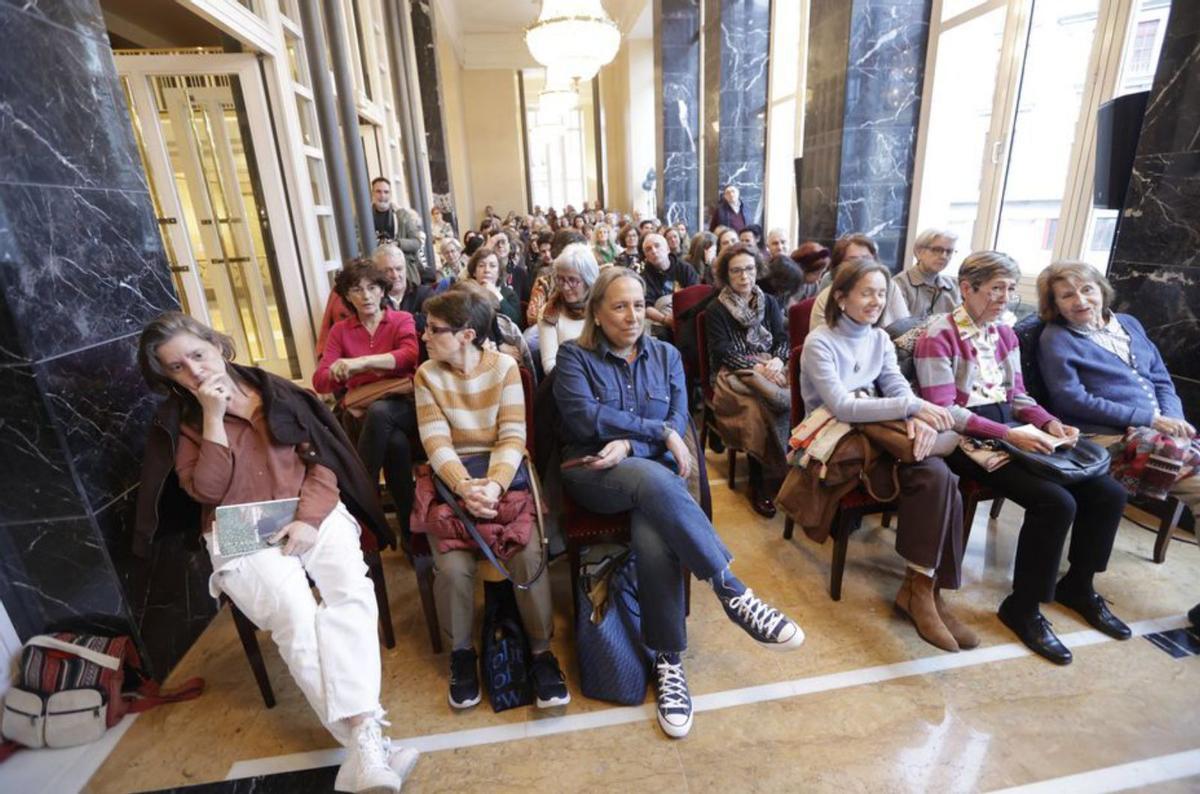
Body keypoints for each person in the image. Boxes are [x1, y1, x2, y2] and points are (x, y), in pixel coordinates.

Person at [135, 313, 418, 793]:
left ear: (217, 345)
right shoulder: (181, 425)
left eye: (198, 354)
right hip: (239, 526)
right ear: (169, 378)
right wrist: (212, 418)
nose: (195, 370)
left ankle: (364, 752)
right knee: (294, 616)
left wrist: (308, 521)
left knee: (351, 588)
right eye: (178, 367)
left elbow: (324, 464)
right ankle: (368, 742)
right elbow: (209, 489)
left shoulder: (278, 393)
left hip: (309, 508)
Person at [554, 268, 804, 739]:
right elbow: (585, 420)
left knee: (654, 529)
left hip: (643, 473)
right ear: (598, 313)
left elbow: (675, 420)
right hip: (592, 473)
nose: (631, 316)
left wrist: (634, 444)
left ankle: (669, 662)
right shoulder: (575, 357)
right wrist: (657, 434)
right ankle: (733, 591)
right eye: (618, 306)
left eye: (636, 304)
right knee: (657, 483)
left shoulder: (666, 354)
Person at [915, 251, 1131, 665]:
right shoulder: (939, 335)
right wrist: (1009, 433)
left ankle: (1079, 586)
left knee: (1108, 494)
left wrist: (1050, 423)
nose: (1005, 298)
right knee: (1055, 501)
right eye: (997, 288)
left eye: (1011, 289)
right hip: (965, 440)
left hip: (1011, 431)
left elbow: (1017, 397)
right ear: (967, 288)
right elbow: (947, 411)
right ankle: (1024, 606)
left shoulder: (1004, 334)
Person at [800, 259, 971, 651]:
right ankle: (921, 593)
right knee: (937, 475)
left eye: (882, 293)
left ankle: (925, 588)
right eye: (866, 292)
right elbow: (842, 407)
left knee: (940, 477)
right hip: (837, 436)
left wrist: (916, 415)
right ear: (841, 298)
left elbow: (894, 385)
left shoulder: (878, 339)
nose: (876, 301)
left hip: (876, 428)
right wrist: (909, 411)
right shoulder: (820, 341)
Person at [414, 289, 568, 710]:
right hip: (454, 476)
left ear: (466, 335)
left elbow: (513, 436)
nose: (424, 336)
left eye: (434, 329)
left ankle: (540, 652)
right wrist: (464, 486)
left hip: (505, 471)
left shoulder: (504, 368)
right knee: (453, 564)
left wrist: (495, 485)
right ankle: (462, 654)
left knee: (527, 552)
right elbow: (436, 442)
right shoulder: (427, 374)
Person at [1036, 260, 1198, 512]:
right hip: (1105, 436)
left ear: (1101, 290)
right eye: (1067, 295)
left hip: (1157, 432)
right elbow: (1070, 399)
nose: (1080, 300)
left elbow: (1161, 381)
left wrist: (1173, 421)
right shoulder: (1057, 337)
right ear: (1054, 304)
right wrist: (1150, 420)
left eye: (1087, 289)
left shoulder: (1128, 323)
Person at [313, 257, 420, 540]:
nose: (366, 296)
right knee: (394, 443)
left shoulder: (401, 320)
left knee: (382, 413)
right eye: (357, 290)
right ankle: (410, 536)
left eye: (372, 288)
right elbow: (320, 381)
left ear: (383, 291)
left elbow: (409, 356)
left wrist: (359, 364)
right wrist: (336, 371)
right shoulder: (341, 331)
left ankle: (361, 493)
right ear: (347, 296)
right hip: (365, 414)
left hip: (404, 407)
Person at [705, 243, 790, 517]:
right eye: (737, 271)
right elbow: (722, 352)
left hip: (771, 365)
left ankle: (788, 470)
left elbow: (782, 339)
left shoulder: (770, 302)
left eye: (750, 269)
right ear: (726, 275)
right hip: (733, 372)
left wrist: (777, 360)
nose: (744, 276)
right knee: (756, 408)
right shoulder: (716, 309)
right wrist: (760, 369)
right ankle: (758, 481)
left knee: (795, 399)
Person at [810, 234, 910, 331]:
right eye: (853, 260)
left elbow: (904, 327)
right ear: (839, 265)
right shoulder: (827, 296)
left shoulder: (890, 286)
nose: (862, 265)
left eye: (867, 259)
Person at [539, 243, 599, 374]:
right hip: (567, 382)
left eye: (572, 280)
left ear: (588, 280)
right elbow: (550, 366)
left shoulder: (603, 307)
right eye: (560, 279)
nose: (565, 287)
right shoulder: (550, 312)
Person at [641, 232, 699, 339]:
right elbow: (646, 307)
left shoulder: (685, 269)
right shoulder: (643, 277)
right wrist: (665, 319)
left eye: (657, 246)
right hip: (659, 320)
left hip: (686, 315)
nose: (654, 251)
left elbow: (696, 296)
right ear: (646, 257)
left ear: (667, 249)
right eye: (648, 249)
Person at [895, 229, 961, 318]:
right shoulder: (899, 284)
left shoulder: (955, 285)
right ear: (919, 252)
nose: (943, 256)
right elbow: (898, 327)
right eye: (937, 250)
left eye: (949, 251)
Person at [369, 177, 422, 287]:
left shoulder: (403, 215)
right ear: (372, 193)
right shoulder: (363, 217)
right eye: (378, 191)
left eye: (386, 192)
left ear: (390, 194)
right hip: (376, 273)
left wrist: (398, 243)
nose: (382, 196)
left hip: (404, 273)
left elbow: (417, 242)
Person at [374, 244, 434, 330]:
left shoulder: (425, 294)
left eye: (399, 269)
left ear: (406, 269)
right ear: (376, 273)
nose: (395, 275)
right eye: (387, 270)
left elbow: (432, 323)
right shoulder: (374, 301)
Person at [468, 246, 521, 326]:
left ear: (499, 272)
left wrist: (496, 293)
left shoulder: (509, 293)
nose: (487, 270)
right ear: (474, 272)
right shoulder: (466, 293)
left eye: (492, 266)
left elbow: (515, 321)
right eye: (481, 265)